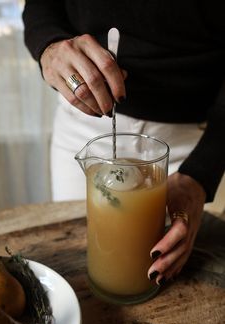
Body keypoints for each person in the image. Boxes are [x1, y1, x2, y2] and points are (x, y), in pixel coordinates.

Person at [22, 1, 225, 287]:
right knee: (80, 261)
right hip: (84, 119)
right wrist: (49, 46)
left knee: (177, 278)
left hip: (195, 139)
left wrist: (201, 173)